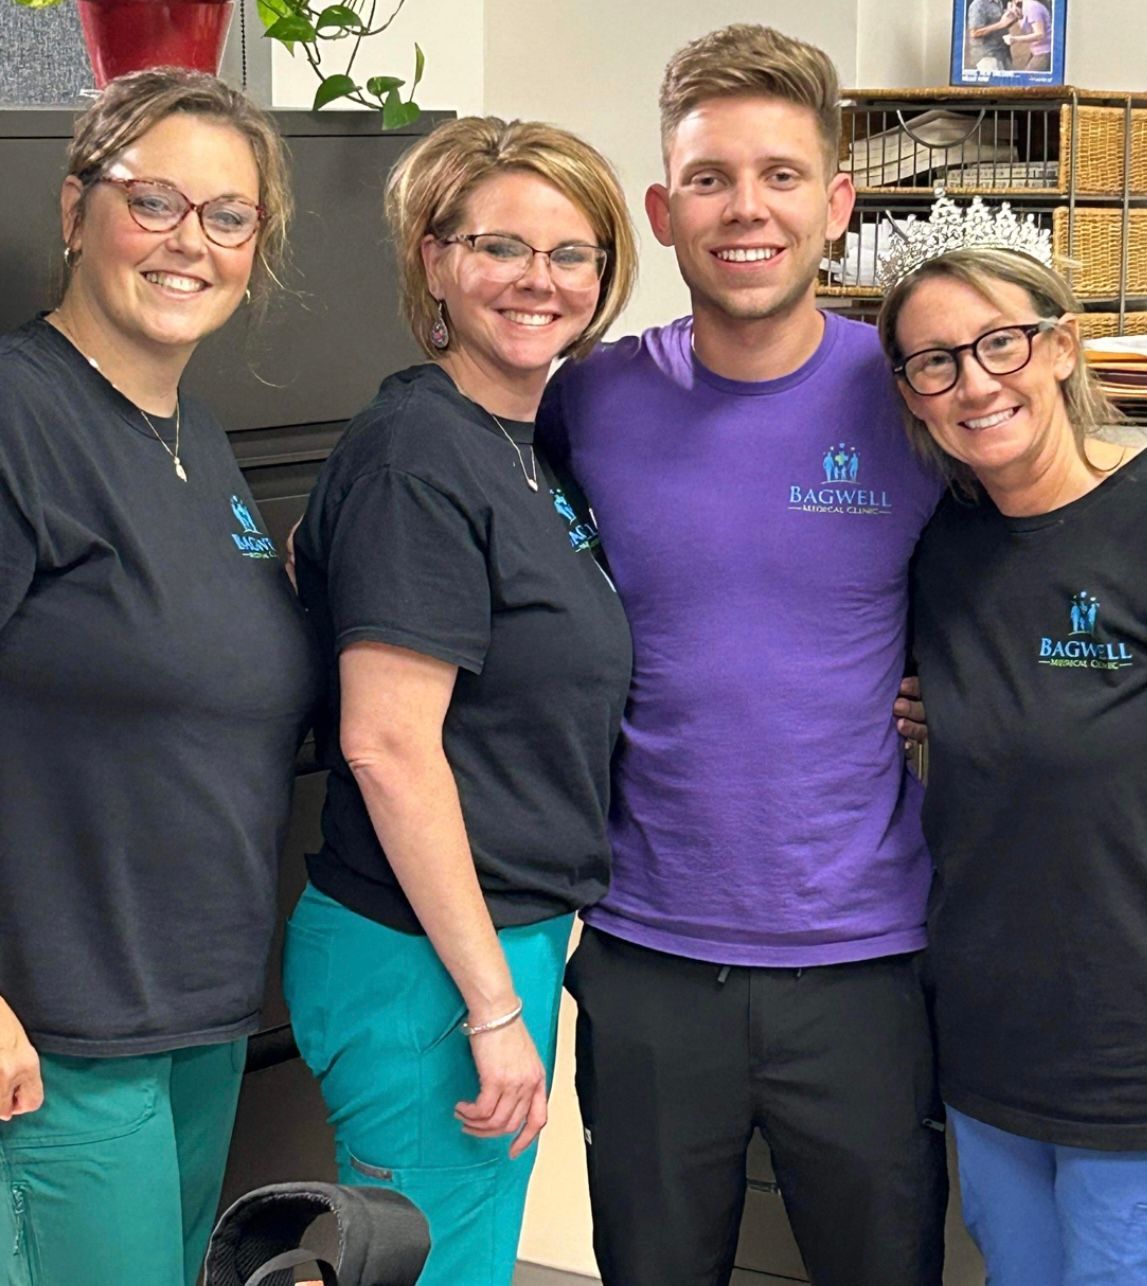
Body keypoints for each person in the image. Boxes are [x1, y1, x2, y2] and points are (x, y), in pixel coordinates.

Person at [538, 25, 947, 1286]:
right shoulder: (587, 399)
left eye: (780, 175)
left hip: (869, 960)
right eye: (710, 178)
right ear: (662, 209)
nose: (745, 210)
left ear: (837, 202)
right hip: (649, 955)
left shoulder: (918, 396)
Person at [877, 224, 1147, 1284]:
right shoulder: (946, 545)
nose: (975, 382)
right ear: (912, 393)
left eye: (1000, 343)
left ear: (1060, 349)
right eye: (936, 361)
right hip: (991, 1049)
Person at [284, 117, 637, 1286]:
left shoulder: (526, 446)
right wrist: (492, 1005)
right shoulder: (420, 452)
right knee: (434, 1266)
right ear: (432, 259)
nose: (539, 280)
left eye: (571, 252)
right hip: (428, 960)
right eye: (499, 246)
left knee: (459, 1254)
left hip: (490, 937)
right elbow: (386, 744)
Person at [0, 68, 318, 1285]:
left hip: (192, 1012)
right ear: (78, 209)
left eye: (228, 216)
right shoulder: (21, 418)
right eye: (156, 202)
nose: (193, 242)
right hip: (57, 1030)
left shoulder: (195, 433)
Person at [1004, 0, 1053, 71]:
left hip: (1044, 50)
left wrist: (1014, 39)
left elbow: (1040, 34)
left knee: (1027, 79)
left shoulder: (1032, 8)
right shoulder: (1022, 7)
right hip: (1036, 50)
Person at [967, 0, 1015, 71]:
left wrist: (1012, 17)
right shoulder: (978, 5)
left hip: (1003, 53)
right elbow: (974, 33)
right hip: (987, 56)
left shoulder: (998, 2)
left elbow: (1002, 24)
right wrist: (1001, 24)